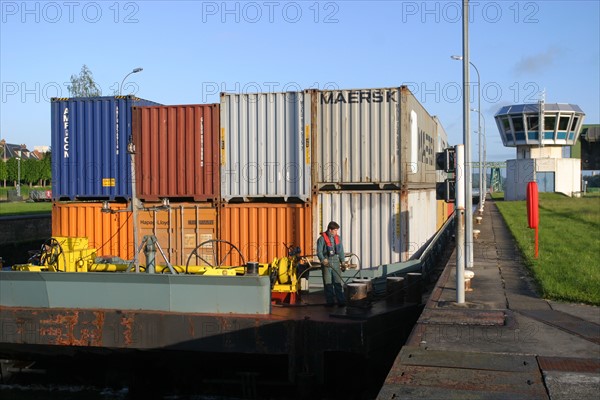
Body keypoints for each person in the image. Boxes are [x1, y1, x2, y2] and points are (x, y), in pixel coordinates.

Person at [317, 221, 346, 307]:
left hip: (336, 262)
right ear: (330, 230)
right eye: (335, 230)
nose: (336, 232)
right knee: (328, 283)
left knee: (337, 283)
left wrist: (343, 262)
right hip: (327, 263)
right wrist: (323, 260)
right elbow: (319, 252)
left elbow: (341, 251)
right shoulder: (321, 239)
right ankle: (330, 302)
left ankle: (341, 301)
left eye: (337, 230)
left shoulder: (338, 238)